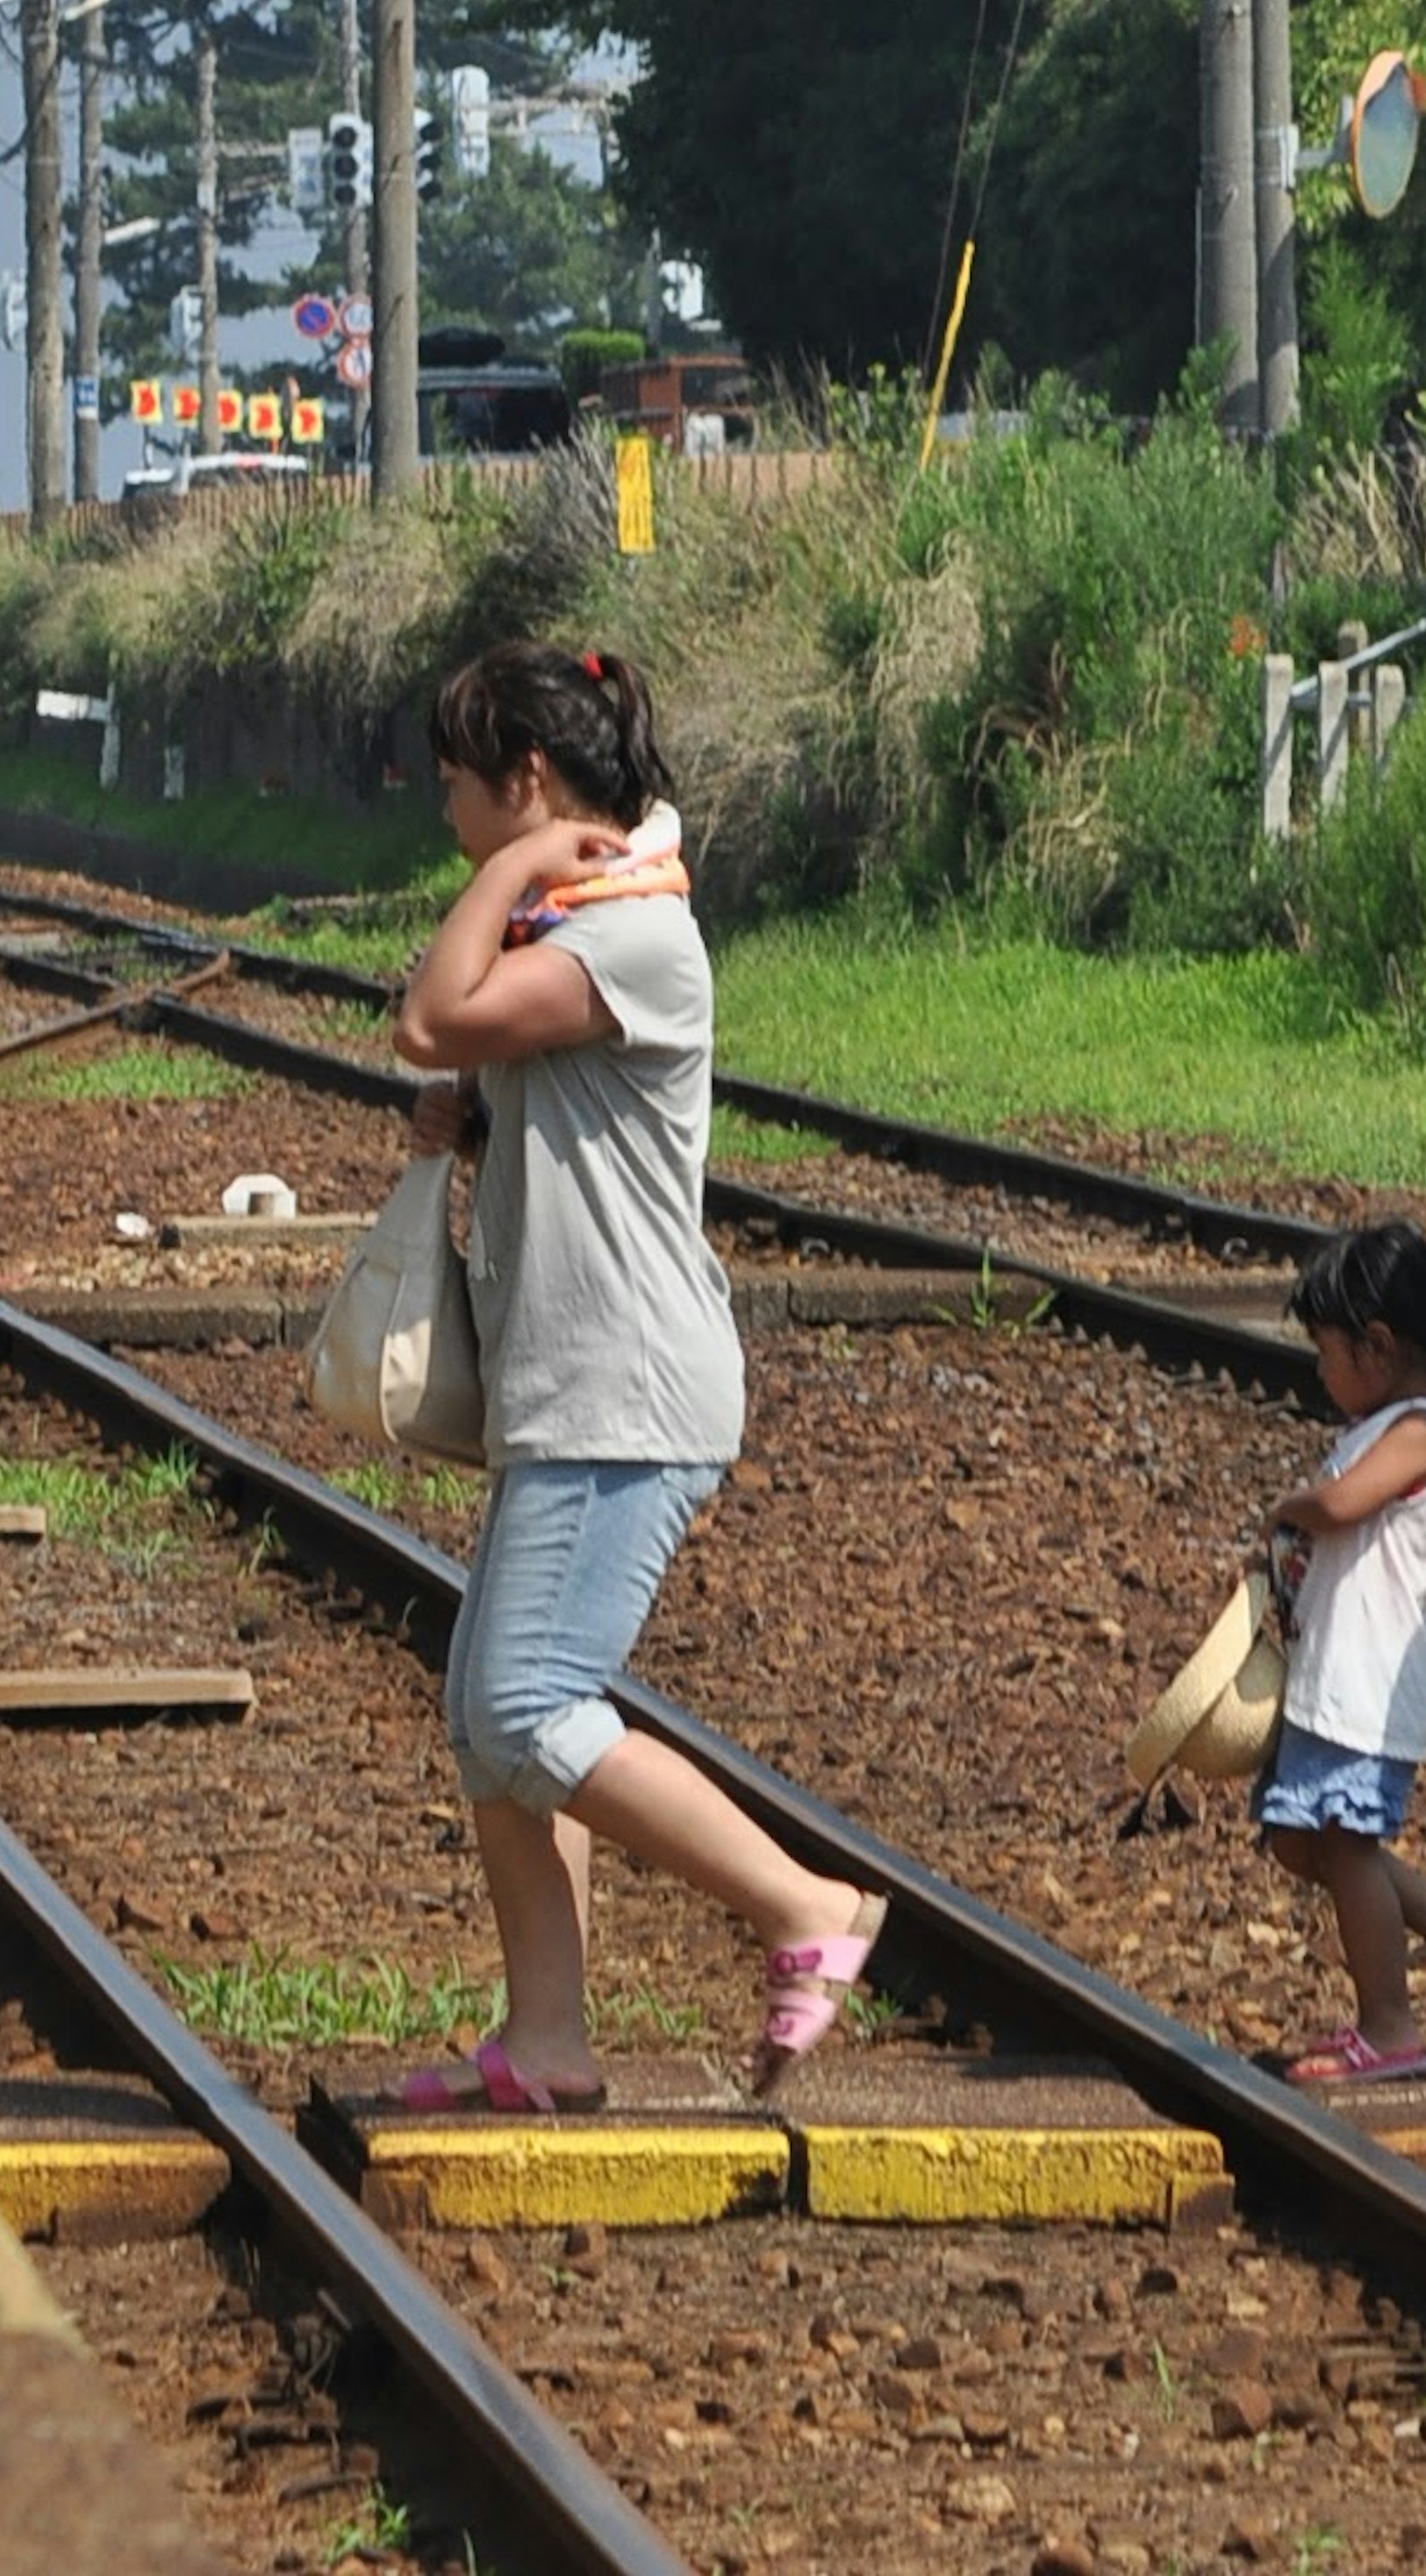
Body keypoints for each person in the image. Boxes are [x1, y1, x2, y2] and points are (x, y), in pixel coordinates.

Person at [387, 638, 885, 2114]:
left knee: (534, 1704)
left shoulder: (630, 936)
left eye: (464, 793)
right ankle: (547, 2036)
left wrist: (514, 865)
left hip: (630, 1391)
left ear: (527, 784)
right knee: (493, 1718)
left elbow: (431, 1013)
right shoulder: (584, 928)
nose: (450, 822)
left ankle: (805, 1904)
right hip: (574, 1382)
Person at [1253, 1220, 1426, 2085]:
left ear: (1375, 1344)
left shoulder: (1425, 1428)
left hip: (1368, 1683)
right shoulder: (1386, 1421)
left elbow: (1339, 1507)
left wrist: (1292, 1503)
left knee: (1345, 1842)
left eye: (1326, 1350)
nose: (1319, 1371)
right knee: (1302, 1839)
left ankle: (1390, 2024)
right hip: (1335, 1675)